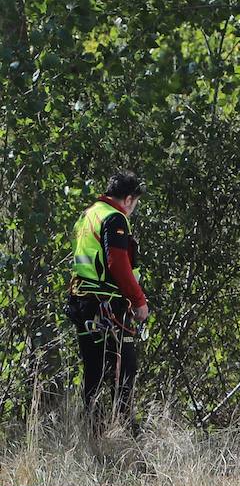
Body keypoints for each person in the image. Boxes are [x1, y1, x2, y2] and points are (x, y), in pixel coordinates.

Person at [66, 171, 149, 427]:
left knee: (95, 368)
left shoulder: (89, 214)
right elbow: (118, 263)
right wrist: (139, 301)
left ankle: (93, 430)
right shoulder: (114, 219)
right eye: (135, 202)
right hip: (105, 304)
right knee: (123, 368)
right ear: (128, 199)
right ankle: (123, 430)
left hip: (82, 300)